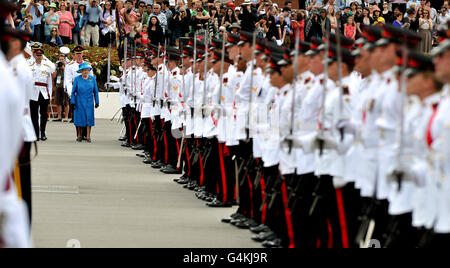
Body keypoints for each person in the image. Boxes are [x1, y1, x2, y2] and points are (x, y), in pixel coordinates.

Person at [71, 62, 99, 143]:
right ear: (81, 71)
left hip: (89, 102)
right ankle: (79, 135)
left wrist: (97, 101)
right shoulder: (77, 79)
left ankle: (88, 136)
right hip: (79, 101)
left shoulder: (92, 79)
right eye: (83, 70)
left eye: (87, 70)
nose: (85, 71)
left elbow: (95, 91)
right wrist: (72, 102)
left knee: (89, 118)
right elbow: (73, 92)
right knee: (79, 118)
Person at [29, 48, 53, 141]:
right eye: (37, 55)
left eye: (40, 55)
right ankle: (35, 133)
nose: (39, 57)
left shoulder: (46, 67)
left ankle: (43, 132)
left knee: (44, 114)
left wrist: (50, 94)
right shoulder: (30, 67)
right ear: (34, 56)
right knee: (34, 114)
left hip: (43, 93)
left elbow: (49, 82)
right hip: (33, 92)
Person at [53, 54, 70, 121]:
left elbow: (68, 75)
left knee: (66, 102)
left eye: (62, 59)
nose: (61, 61)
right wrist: (56, 68)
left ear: (65, 60)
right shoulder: (57, 67)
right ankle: (59, 116)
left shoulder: (67, 66)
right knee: (58, 102)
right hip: (58, 85)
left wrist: (64, 68)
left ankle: (66, 117)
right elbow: (53, 76)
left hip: (65, 85)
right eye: (60, 59)